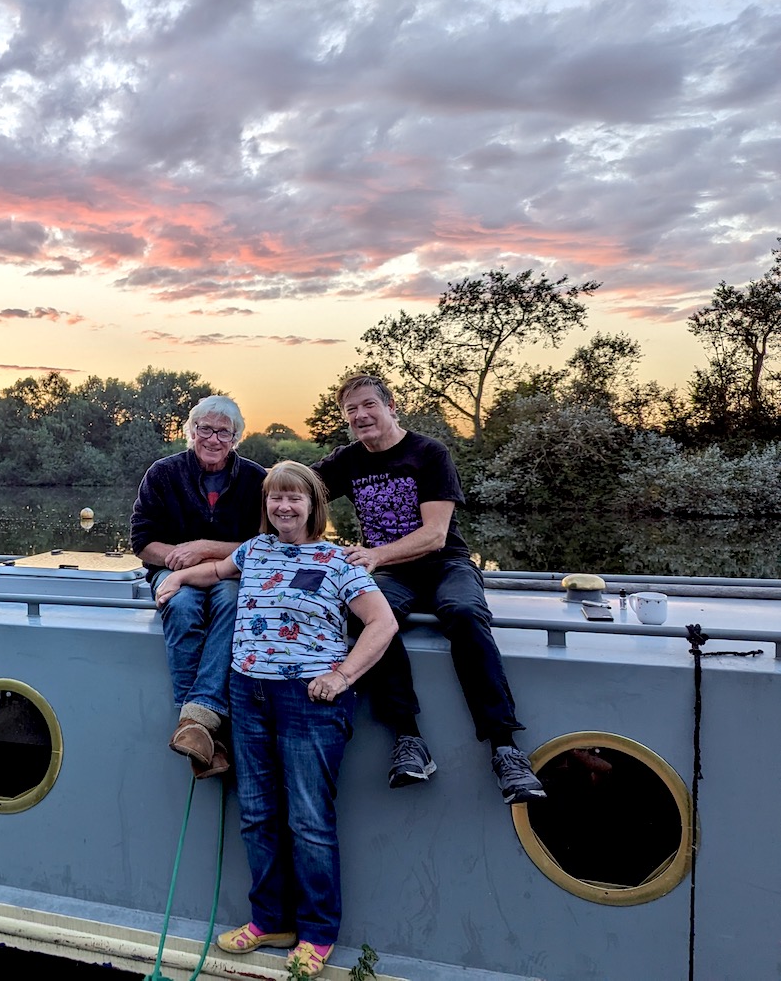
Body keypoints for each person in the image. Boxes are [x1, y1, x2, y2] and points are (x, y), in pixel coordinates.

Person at [155, 461, 398, 977]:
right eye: (274, 498)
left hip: (309, 702)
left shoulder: (338, 560)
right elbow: (216, 572)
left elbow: (382, 622)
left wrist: (343, 675)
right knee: (258, 815)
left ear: (313, 506)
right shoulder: (255, 550)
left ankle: (316, 932)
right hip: (248, 695)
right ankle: (269, 920)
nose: (283, 507)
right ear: (265, 505)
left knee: (309, 821)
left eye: (294, 499)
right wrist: (176, 576)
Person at [312, 373, 546, 804]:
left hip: (444, 564)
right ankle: (409, 740)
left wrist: (376, 555)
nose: (361, 416)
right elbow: (291, 490)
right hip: (394, 576)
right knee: (369, 620)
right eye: (351, 410)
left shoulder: (428, 453)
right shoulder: (347, 461)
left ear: (390, 406)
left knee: (464, 613)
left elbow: (435, 535)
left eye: (368, 405)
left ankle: (505, 749)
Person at [130, 395, 266, 778]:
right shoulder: (162, 473)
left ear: (237, 437)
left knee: (233, 600)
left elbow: (265, 544)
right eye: (205, 428)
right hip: (171, 570)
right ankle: (205, 729)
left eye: (224, 431)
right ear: (190, 431)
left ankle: (193, 725)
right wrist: (176, 557)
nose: (213, 438)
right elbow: (142, 542)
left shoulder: (257, 479)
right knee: (184, 603)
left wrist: (207, 551)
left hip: (232, 573)